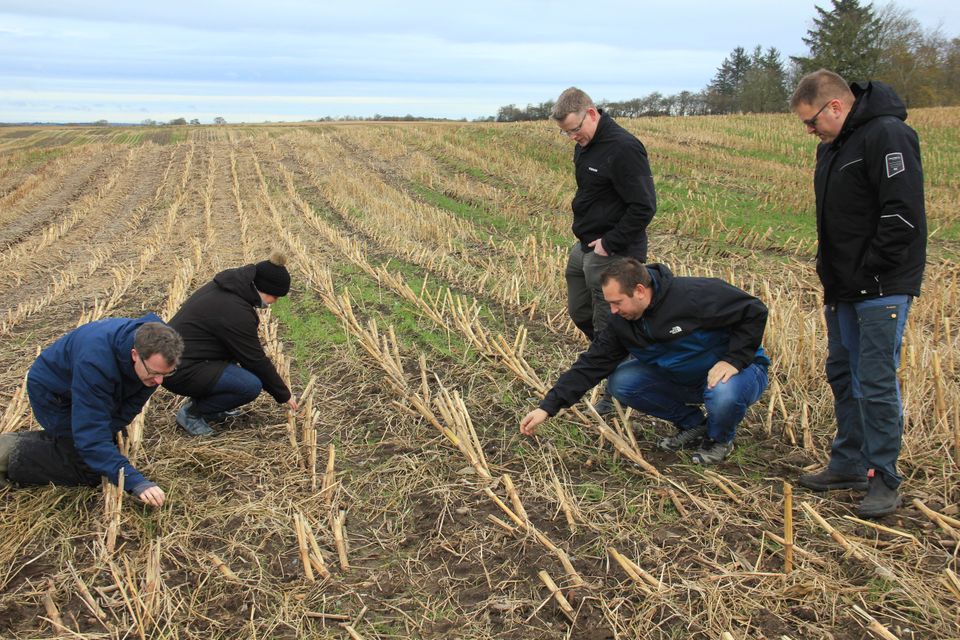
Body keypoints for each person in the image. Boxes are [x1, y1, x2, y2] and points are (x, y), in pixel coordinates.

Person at [790, 70, 926, 518]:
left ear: (834, 106)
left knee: (875, 381)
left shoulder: (888, 135)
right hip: (844, 287)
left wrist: (872, 267)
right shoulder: (833, 148)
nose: (809, 130)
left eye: (812, 121)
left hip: (881, 287)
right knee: (843, 375)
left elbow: (902, 212)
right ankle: (847, 463)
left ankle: (884, 477)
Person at [519, 259, 769, 464]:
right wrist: (547, 407)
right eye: (610, 304)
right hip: (684, 378)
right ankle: (694, 425)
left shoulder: (694, 294)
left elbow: (754, 310)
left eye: (617, 303)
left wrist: (733, 359)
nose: (614, 311)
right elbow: (591, 364)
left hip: (740, 372)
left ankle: (719, 439)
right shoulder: (621, 323)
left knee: (723, 393)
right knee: (622, 381)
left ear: (639, 290)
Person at [551, 87, 658, 414]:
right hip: (585, 245)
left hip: (615, 252)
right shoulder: (586, 145)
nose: (572, 137)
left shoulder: (624, 148)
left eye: (574, 129)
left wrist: (609, 242)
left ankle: (615, 396)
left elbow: (644, 207)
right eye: (565, 132)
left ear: (592, 113)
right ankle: (622, 356)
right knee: (579, 311)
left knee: (607, 325)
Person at [0, 317, 182, 507]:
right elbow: (91, 437)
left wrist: (106, 436)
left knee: (103, 451)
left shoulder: (161, 352)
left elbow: (131, 405)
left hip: (92, 388)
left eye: (166, 374)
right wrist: (135, 481)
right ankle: (6, 451)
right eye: (154, 373)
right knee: (89, 467)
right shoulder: (96, 364)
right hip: (56, 395)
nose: (160, 381)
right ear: (135, 355)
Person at [162, 252, 299, 436]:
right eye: (276, 296)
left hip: (186, 358)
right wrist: (284, 394)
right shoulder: (235, 311)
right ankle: (192, 413)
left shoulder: (229, 288)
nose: (275, 302)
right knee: (249, 385)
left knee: (238, 370)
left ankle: (213, 407)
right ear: (265, 289)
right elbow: (254, 359)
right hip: (178, 370)